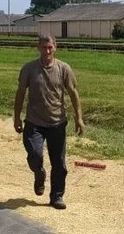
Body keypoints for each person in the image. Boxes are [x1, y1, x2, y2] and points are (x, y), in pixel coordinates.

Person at [13, 34, 84, 210]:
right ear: (38, 48)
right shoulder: (29, 69)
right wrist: (16, 117)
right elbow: (20, 93)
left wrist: (79, 118)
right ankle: (39, 173)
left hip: (57, 123)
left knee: (59, 163)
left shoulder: (63, 68)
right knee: (35, 154)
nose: (47, 51)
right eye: (43, 47)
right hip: (34, 122)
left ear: (55, 47)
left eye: (50, 47)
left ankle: (57, 197)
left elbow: (73, 93)